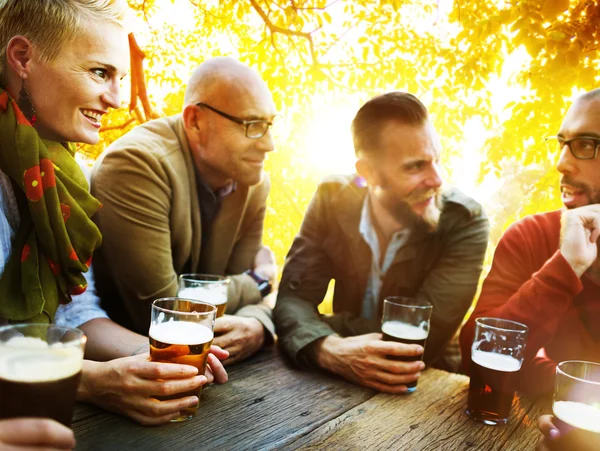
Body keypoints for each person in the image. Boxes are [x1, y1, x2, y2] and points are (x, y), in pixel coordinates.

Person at [0, 0, 227, 428]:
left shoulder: (68, 180)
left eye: (121, 77)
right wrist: (88, 382)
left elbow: (74, 313)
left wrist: (150, 354)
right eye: (99, 73)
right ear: (22, 58)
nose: (118, 100)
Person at [274, 92, 490, 393]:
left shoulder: (465, 221)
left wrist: (313, 328)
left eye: (437, 160)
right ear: (368, 172)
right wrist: (326, 348)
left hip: (427, 384)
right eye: (415, 167)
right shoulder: (331, 199)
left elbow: (419, 338)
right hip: (335, 383)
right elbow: (294, 299)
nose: (437, 179)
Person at [91, 57, 279, 365]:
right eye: (252, 125)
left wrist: (258, 324)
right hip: (131, 369)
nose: (269, 145)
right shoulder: (136, 164)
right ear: (194, 121)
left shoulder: (254, 182)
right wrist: (260, 279)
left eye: (269, 125)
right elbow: (165, 315)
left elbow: (252, 305)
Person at [459, 89, 600, 398]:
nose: (561, 163)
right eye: (563, 144)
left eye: (586, 145)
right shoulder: (529, 235)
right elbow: (476, 358)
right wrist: (564, 269)